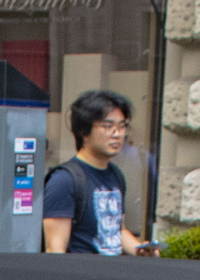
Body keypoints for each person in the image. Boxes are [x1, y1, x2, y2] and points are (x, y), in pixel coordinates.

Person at [42, 90, 159, 257]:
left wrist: (139, 249)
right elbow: (55, 249)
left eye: (122, 126)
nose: (117, 134)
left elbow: (117, 230)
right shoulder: (64, 180)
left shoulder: (115, 174)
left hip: (109, 277)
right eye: (107, 126)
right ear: (84, 132)